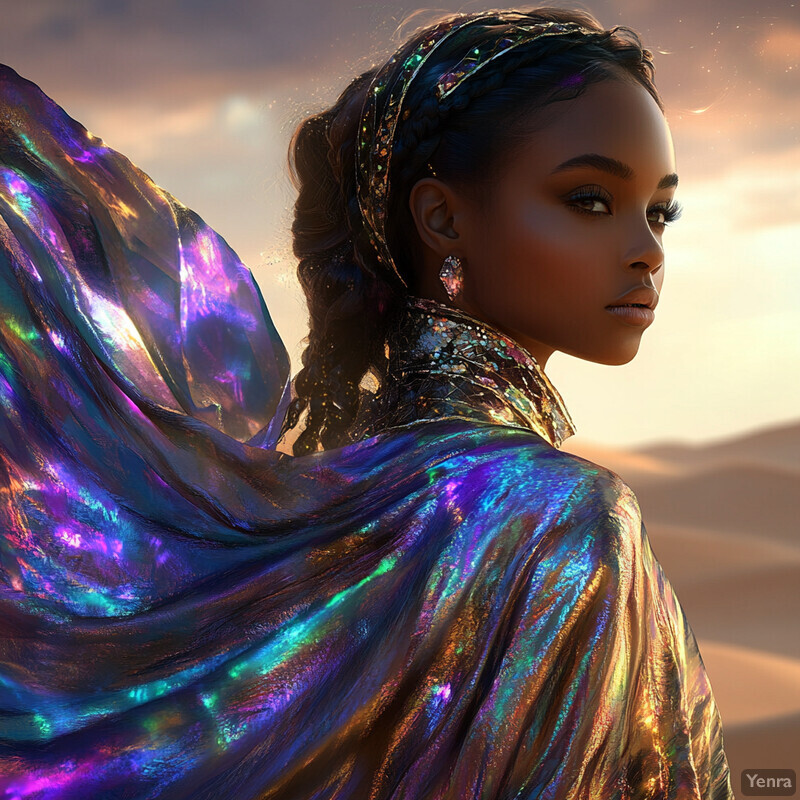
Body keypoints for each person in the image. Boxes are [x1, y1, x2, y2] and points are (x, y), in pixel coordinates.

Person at [0, 6, 735, 799]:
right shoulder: (564, 519)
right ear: (442, 217)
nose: (647, 250)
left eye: (661, 211)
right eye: (589, 198)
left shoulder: (339, 491)